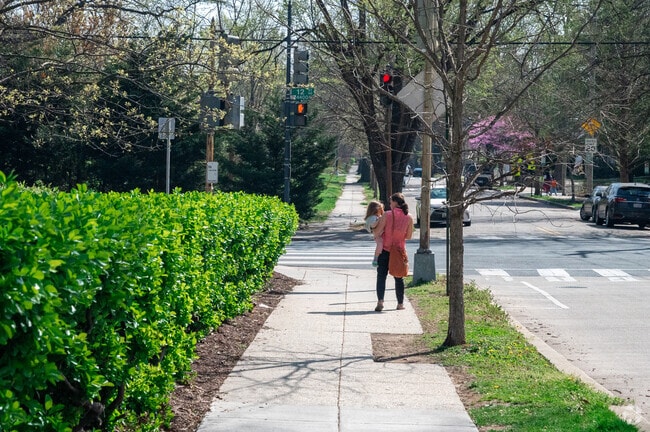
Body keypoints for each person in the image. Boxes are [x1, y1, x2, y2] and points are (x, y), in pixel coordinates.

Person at [372, 193, 414, 312]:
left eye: (390, 202)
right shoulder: (409, 217)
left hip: (385, 249)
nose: (389, 204)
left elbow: (378, 232)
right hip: (399, 251)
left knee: (381, 276)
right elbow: (409, 236)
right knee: (398, 277)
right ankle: (400, 304)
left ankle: (380, 301)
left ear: (395, 202)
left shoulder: (387, 215)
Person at [364, 200, 384, 267]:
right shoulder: (373, 218)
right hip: (378, 235)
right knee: (379, 245)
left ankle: (376, 258)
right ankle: (375, 259)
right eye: (380, 209)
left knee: (380, 245)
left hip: (379, 234)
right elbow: (373, 225)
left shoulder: (374, 217)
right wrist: (379, 220)